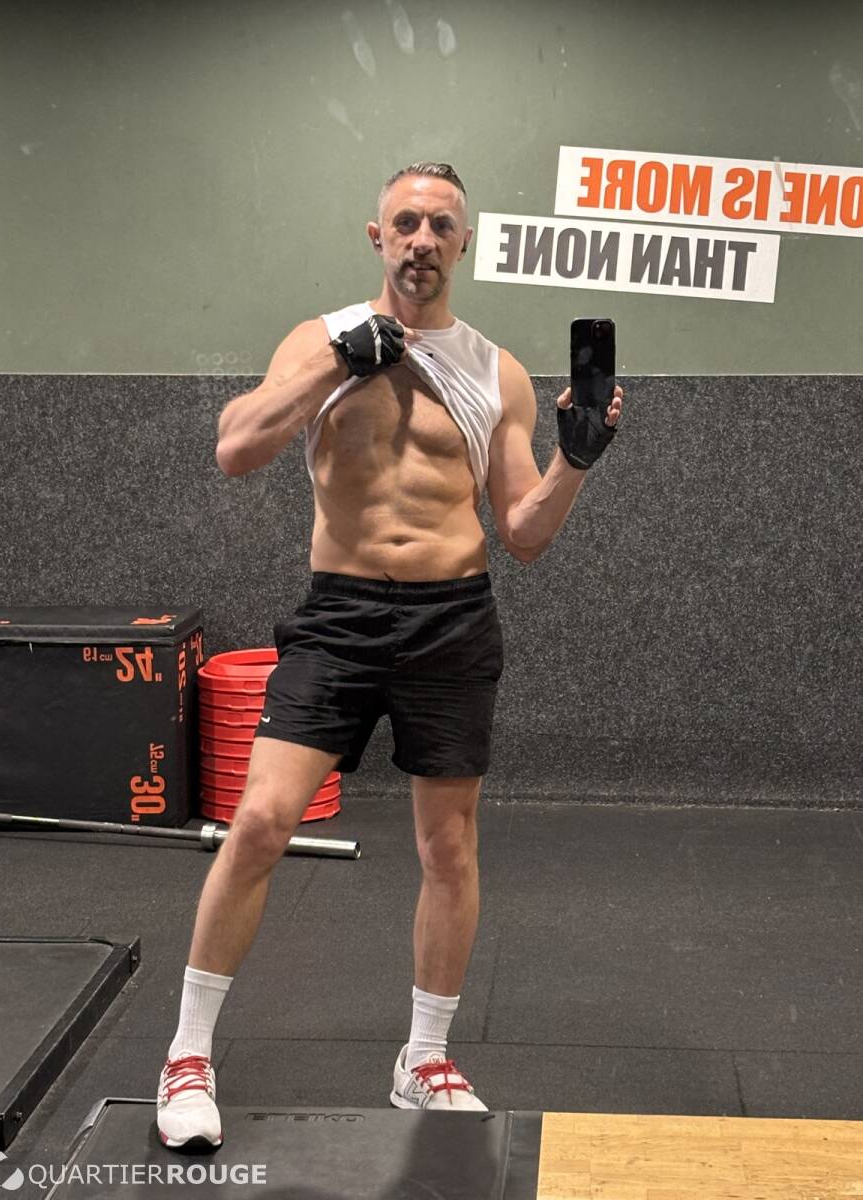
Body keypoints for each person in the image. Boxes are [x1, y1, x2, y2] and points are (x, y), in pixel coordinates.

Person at [156, 161, 624, 1148]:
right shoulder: (320, 337)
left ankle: (425, 1060)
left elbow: (523, 533)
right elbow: (236, 448)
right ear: (378, 237)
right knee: (261, 821)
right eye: (405, 222)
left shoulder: (493, 371)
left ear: (464, 243)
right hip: (341, 618)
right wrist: (337, 363)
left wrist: (576, 461)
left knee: (448, 847)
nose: (421, 239)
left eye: (440, 225)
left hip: (452, 620)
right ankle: (188, 1055)